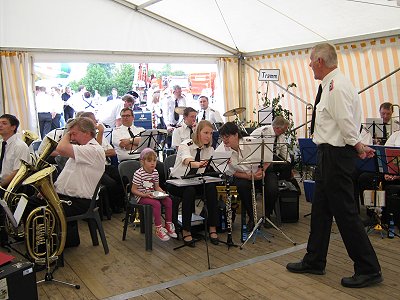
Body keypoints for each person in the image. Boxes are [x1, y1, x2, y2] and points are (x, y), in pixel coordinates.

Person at [286, 43, 382, 288]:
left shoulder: (336, 86)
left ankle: (368, 268)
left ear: (320, 60)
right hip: (328, 154)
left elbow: (346, 122)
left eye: (310, 60)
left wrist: (357, 146)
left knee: (346, 214)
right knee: (320, 210)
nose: (309, 65)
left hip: (336, 155)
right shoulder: (330, 84)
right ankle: (315, 259)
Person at [167, 120, 219, 247]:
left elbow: (215, 166)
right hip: (177, 181)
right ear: (198, 132)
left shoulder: (209, 149)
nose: (208, 136)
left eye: (211, 133)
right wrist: (197, 164)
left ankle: (212, 228)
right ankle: (186, 230)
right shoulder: (186, 144)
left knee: (212, 188)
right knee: (189, 191)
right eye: (205, 132)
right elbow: (186, 160)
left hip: (195, 180)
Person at [216, 122, 269, 230]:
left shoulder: (251, 142)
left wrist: (261, 170)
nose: (224, 140)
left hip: (259, 173)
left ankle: (267, 216)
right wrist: (248, 177)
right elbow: (229, 171)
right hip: (242, 176)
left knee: (272, 187)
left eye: (227, 137)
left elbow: (267, 158)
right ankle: (252, 217)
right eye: (222, 137)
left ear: (236, 135)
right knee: (242, 186)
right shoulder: (222, 149)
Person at [54, 117, 105, 216]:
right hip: (67, 197)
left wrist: (67, 134)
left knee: (35, 208)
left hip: (79, 202)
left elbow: (61, 148)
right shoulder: (83, 149)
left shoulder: (93, 150)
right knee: (29, 203)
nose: (72, 138)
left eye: (74, 134)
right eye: (71, 134)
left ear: (86, 133)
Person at [250, 116, 294, 223]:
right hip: (255, 166)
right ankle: (252, 218)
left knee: (273, 189)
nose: (285, 132)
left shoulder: (281, 136)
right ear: (278, 128)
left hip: (270, 167)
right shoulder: (261, 132)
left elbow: (284, 152)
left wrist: (288, 165)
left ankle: (267, 214)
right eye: (284, 129)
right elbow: (249, 148)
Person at [131, 148, 176, 241]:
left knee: (168, 201)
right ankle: (158, 228)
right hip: (141, 196)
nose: (152, 163)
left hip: (153, 194)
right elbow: (133, 190)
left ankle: (168, 224)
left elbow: (157, 187)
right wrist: (145, 195)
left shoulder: (155, 172)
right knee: (156, 204)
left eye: (154, 161)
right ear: (142, 162)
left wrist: (162, 192)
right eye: (149, 160)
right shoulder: (138, 174)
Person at [0, 114, 30, 188]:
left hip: (11, 186)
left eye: (4, 123)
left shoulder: (20, 146)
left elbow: (17, 172)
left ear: (13, 127)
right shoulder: (1, 143)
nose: (0, 125)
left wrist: (0, 185)